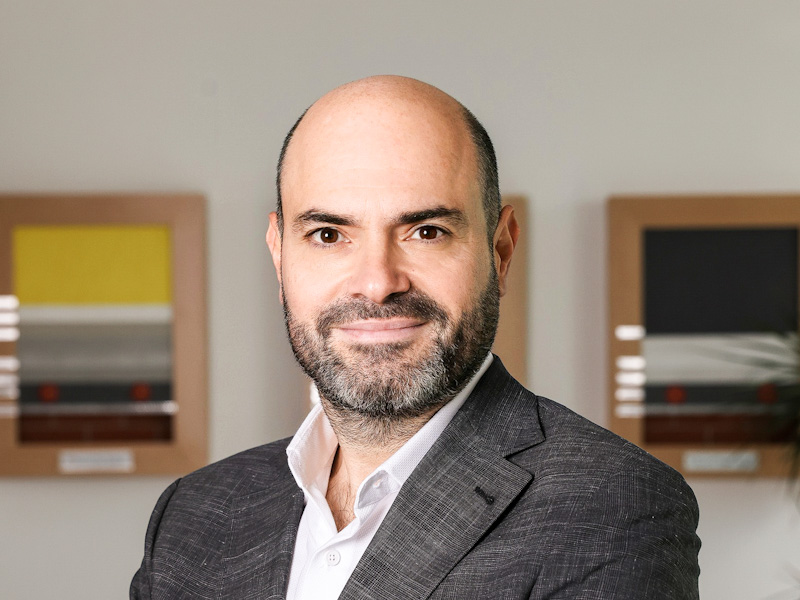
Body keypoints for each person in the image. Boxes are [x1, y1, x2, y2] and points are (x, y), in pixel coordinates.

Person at [131, 75, 700, 599]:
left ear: (501, 251)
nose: (377, 282)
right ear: (280, 256)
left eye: (426, 231)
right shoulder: (194, 513)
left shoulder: (612, 508)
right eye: (328, 235)